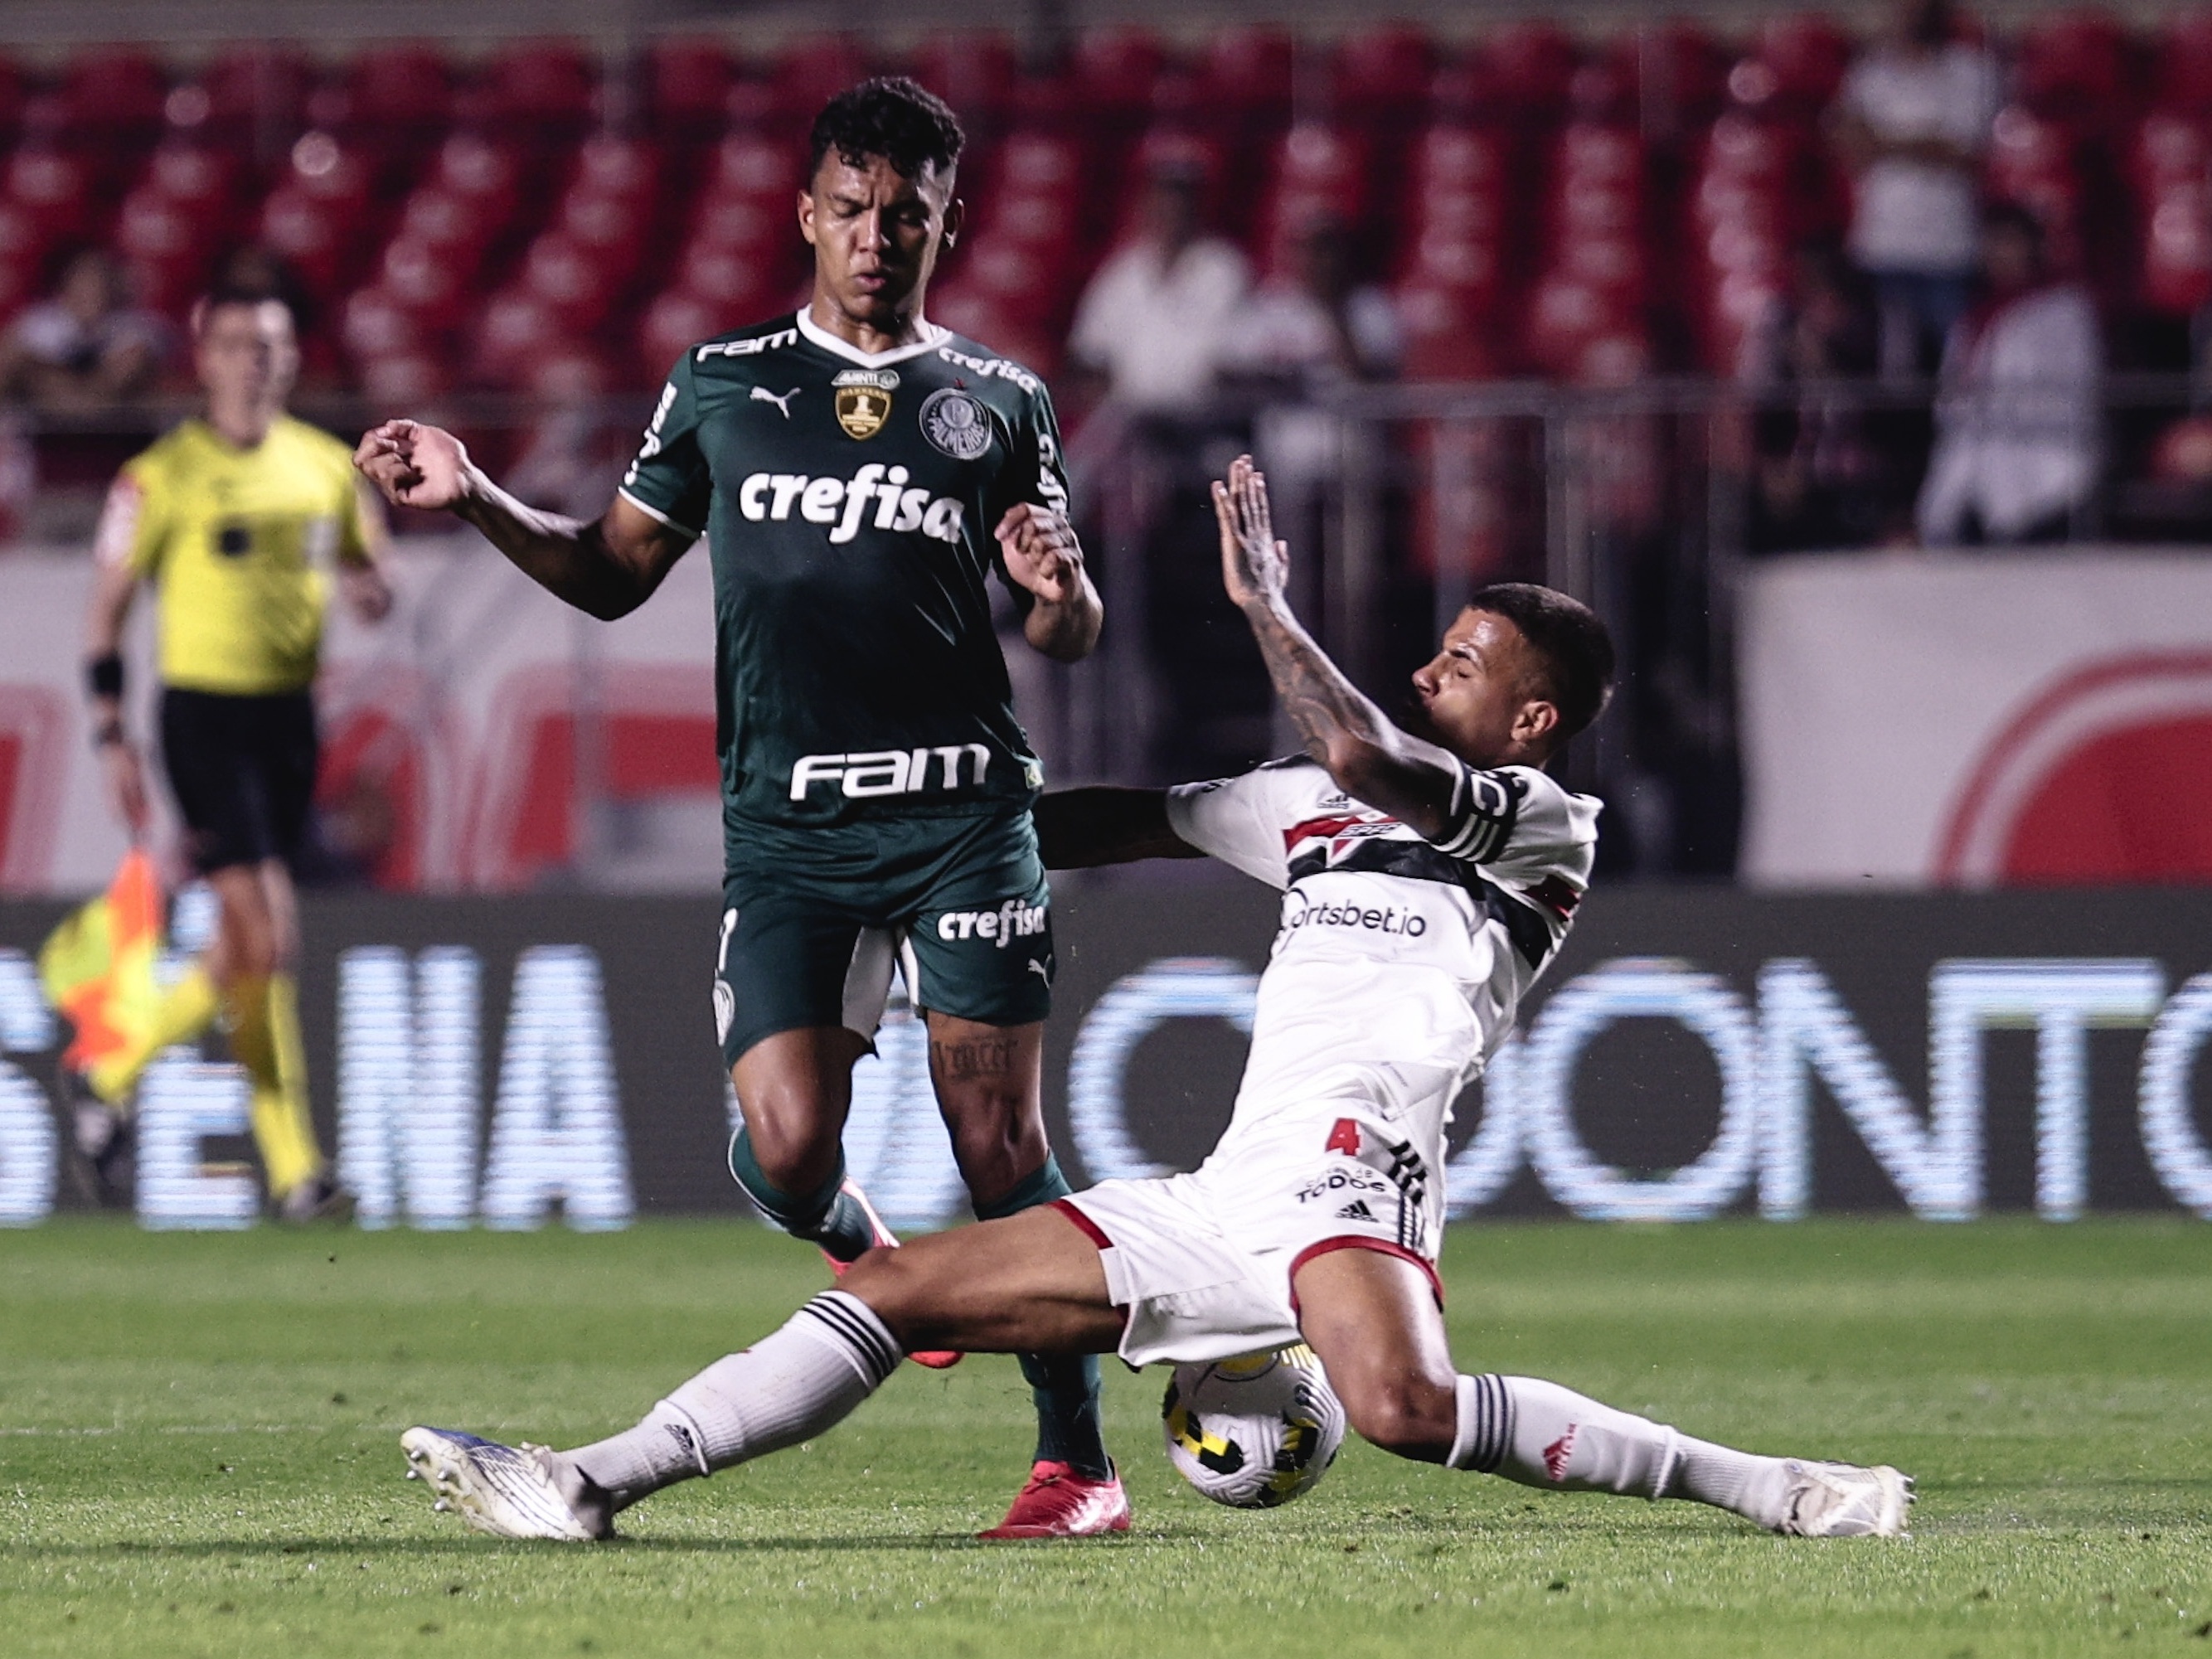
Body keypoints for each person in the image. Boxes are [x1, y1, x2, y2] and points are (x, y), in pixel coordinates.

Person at [395, 458, 1911, 1545]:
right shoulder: (1301, 812)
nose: (1421, 672)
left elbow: (1375, 759)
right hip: (1228, 1189)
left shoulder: (1532, 826)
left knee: (1402, 1410)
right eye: (1432, 652)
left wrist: (1264, 607)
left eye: (1454, 666)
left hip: (1349, 1163)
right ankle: (583, 1480)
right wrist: (905, 810)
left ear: (1525, 718)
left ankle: (1769, 1488)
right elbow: (1119, 818)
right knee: (892, 1289)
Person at [354, 79, 1115, 1539]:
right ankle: (862, 1247)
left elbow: (1065, 627)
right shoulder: (719, 385)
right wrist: (475, 494)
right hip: (793, 834)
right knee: (780, 1147)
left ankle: (1076, 1463)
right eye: (850, 209)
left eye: (906, 214)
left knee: (999, 1148)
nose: (876, 238)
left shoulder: (1001, 405)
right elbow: (611, 569)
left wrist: (1060, 594)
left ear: (947, 220)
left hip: (962, 819)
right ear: (804, 213)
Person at [75, 282, 393, 1220]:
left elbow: (370, 570)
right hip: (203, 719)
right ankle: (293, 1171)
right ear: (205, 357)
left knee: (240, 947)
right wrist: (108, 735)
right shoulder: (160, 475)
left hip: (289, 723)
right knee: (268, 934)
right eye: (238, 346)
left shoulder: (325, 467)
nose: (257, 361)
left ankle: (111, 1071)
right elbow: (106, 617)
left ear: (292, 359)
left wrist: (375, 590)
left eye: (272, 346)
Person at [1829, 0, 1999, 381]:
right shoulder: (1870, 74)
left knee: (1957, 374)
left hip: (1949, 250)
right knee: (1891, 376)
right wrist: (1924, 142)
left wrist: (1884, 143)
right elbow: (1850, 147)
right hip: (1881, 248)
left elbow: (1966, 154)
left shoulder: (1971, 71)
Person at [1917, 201, 2103, 546]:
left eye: (2009, 243)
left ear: (2033, 248)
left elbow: (2068, 389)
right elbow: (1952, 394)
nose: (1999, 254)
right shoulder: (1973, 316)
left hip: (2045, 460)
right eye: (1991, 243)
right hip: (1978, 457)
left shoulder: (2064, 310)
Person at [1065, 148, 1250, 415]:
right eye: (1162, 200)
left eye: (1179, 200)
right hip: (1128, 417)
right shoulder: (1123, 272)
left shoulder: (1224, 269)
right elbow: (1091, 350)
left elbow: (1230, 357)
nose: (1171, 211)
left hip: (1200, 418)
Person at [0, 248, 169, 410]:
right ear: (64, 288)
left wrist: (90, 395)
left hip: (113, 417)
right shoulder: (37, 324)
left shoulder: (135, 324)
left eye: (99, 282)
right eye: (84, 282)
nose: (92, 290)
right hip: (44, 413)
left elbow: (131, 367)